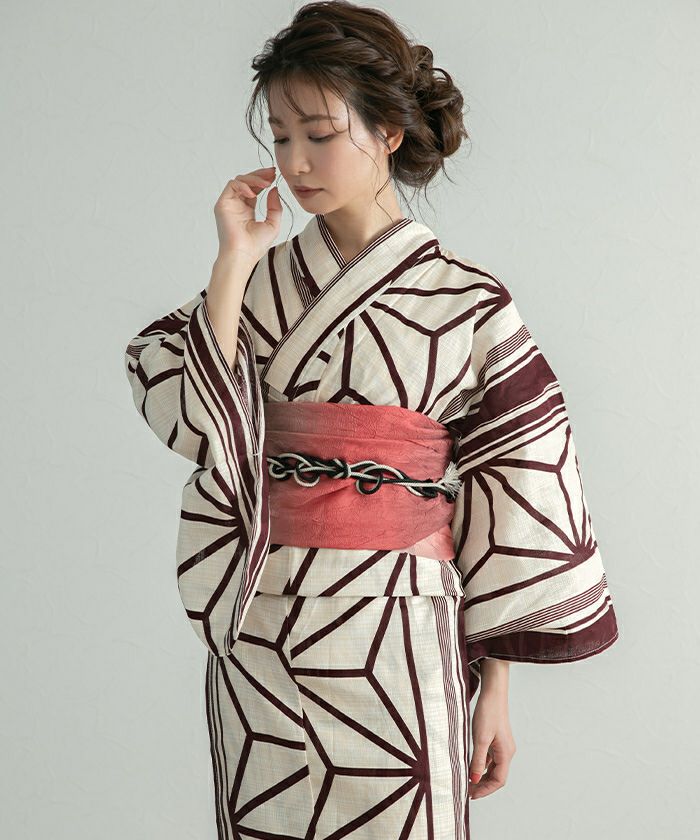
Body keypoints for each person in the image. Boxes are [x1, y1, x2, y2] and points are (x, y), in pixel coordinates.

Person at [124, 2, 619, 837]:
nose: (295, 162)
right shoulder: (256, 286)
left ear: (388, 131)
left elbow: (514, 493)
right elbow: (199, 423)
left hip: (398, 627)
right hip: (265, 627)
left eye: (319, 134)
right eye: (280, 136)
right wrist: (233, 261)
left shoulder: (467, 300)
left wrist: (494, 689)